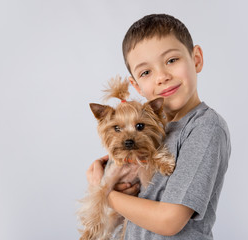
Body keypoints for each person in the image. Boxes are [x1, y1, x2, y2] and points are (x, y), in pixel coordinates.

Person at [86, 14, 231, 239]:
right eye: (146, 72)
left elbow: (168, 221)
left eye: (171, 60)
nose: (162, 77)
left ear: (196, 59)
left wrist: (103, 190)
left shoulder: (205, 128)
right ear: (136, 85)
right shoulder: (151, 130)